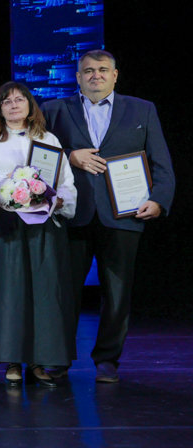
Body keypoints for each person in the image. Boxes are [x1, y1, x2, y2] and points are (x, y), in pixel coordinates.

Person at [43, 50, 175, 383]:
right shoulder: (54, 110)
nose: (96, 75)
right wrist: (70, 156)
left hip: (124, 216)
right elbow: (38, 157)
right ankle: (59, 358)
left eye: (103, 70)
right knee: (63, 293)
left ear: (115, 75)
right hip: (71, 215)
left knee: (117, 294)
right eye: (88, 71)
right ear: (77, 77)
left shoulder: (142, 109)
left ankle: (107, 360)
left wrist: (159, 200)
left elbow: (161, 161)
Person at [0, 82, 77, 387]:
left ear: (30, 106)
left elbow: (65, 180)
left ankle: (40, 361)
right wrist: (8, 188)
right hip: (5, 228)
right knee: (10, 294)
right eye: (7, 101)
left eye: (19, 100)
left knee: (43, 295)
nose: (14, 105)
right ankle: (12, 360)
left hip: (42, 228)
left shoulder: (48, 139)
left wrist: (58, 200)